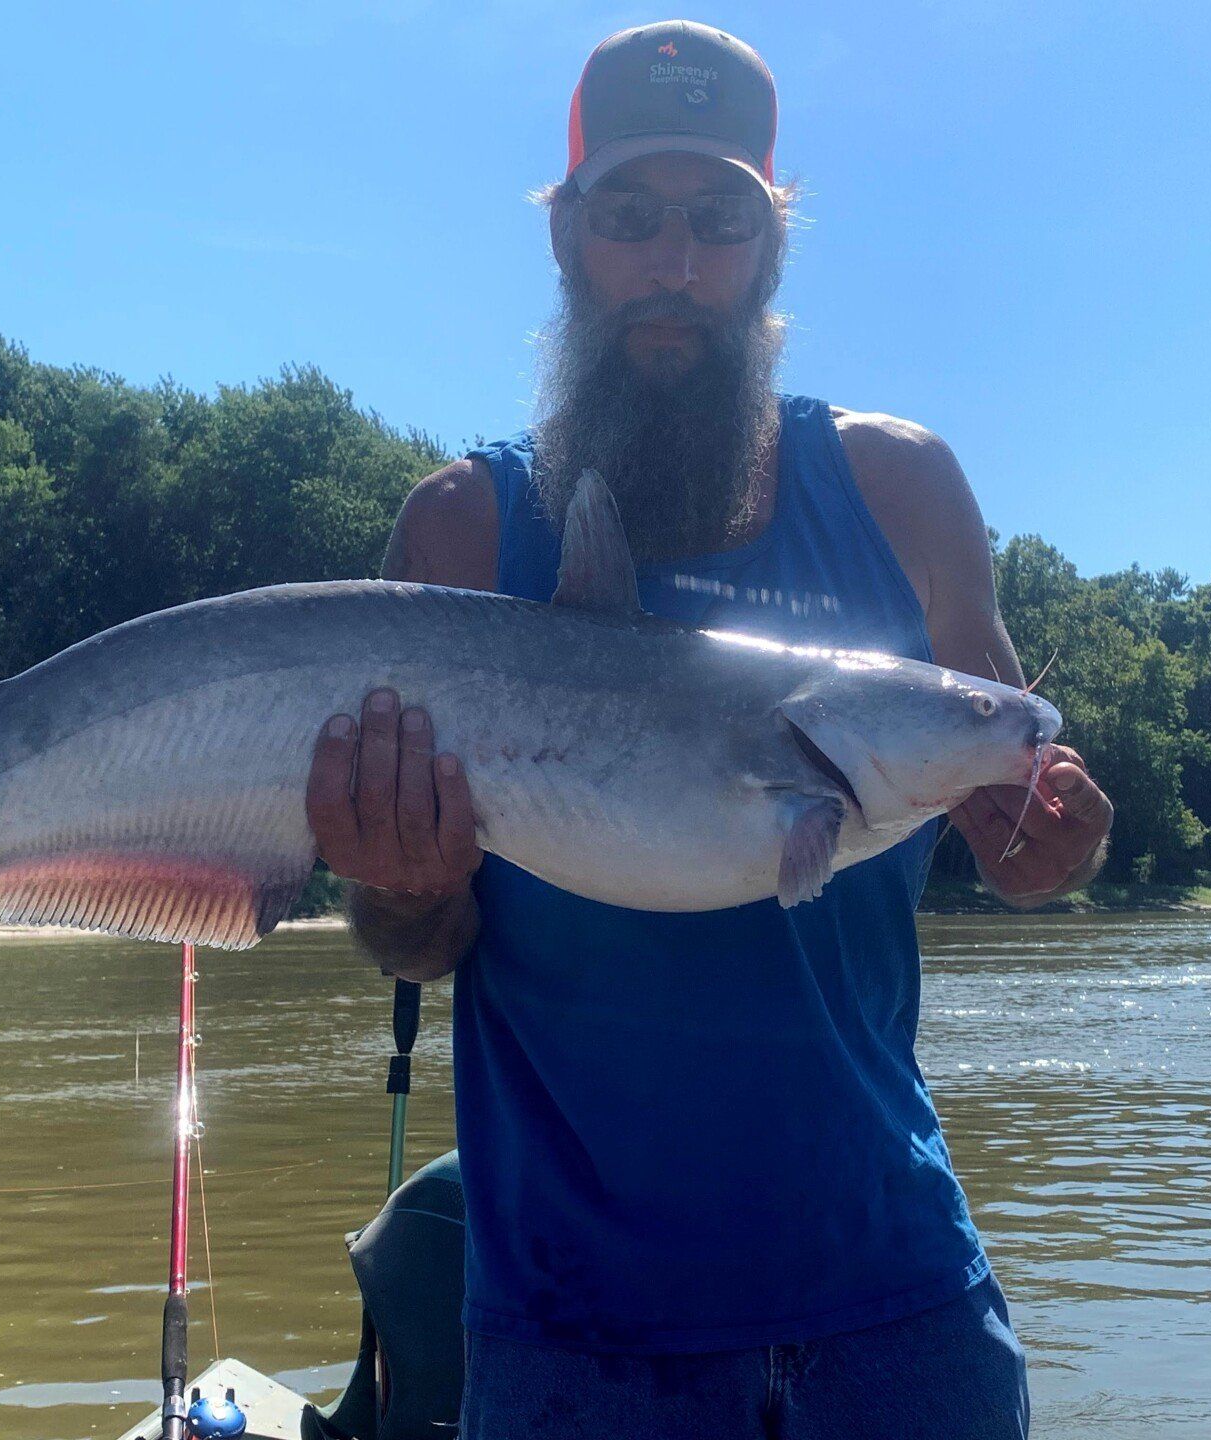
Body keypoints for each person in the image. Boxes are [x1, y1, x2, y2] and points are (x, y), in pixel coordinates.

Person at [303, 20, 1114, 1440]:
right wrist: (398, 884)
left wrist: (1055, 849)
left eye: (718, 218)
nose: (674, 261)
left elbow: (1017, 820)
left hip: (896, 1296)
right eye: (631, 217)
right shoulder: (461, 527)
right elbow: (415, 946)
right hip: (572, 1327)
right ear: (569, 240)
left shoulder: (902, 491)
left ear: (770, 244)